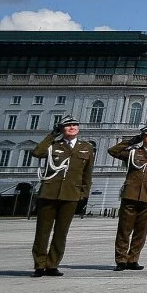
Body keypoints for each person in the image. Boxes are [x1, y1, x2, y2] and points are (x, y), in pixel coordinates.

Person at [29, 117, 96, 277]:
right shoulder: (53, 146)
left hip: (71, 194)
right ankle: (39, 264)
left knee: (61, 232)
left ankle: (52, 264)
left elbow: (87, 173)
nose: (71, 128)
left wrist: (84, 194)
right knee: (42, 232)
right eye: (67, 126)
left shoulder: (86, 148)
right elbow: (37, 152)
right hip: (49, 193)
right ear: (61, 129)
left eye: (74, 125)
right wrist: (52, 135)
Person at [108, 123, 147, 271]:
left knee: (141, 231)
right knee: (124, 230)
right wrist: (133, 140)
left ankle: (133, 259)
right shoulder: (133, 152)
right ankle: (121, 260)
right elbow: (113, 151)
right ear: (143, 136)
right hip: (130, 195)